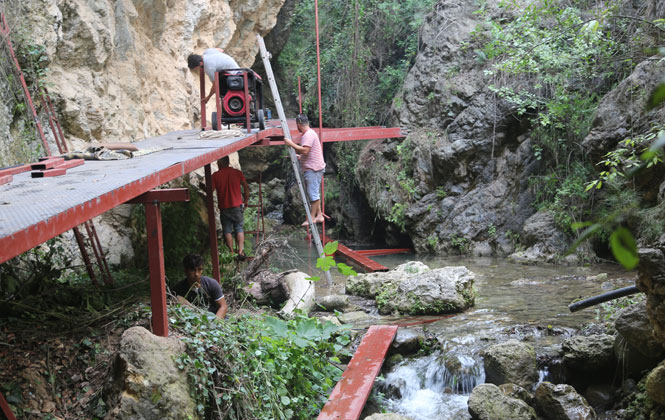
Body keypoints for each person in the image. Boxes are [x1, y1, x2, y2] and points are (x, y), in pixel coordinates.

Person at [283, 114, 326, 226]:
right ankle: (319, 215)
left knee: (313, 194)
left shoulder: (308, 135)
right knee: (314, 192)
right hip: (315, 166)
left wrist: (291, 144)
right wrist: (300, 157)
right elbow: (309, 153)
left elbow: (306, 150)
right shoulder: (309, 134)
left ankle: (311, 218)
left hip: (313, 169)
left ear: (298, 124)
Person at [212, 156, 250, 258]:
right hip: (237, 205)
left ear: (220, 163)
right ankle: (241, 251)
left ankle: (232, 252)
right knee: (239, 228)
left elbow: (209, 190)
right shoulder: (237, 173)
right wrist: (245, 200)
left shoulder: (216, 176)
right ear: (228, 162)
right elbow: (246, 187)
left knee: (227, 230)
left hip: (224, 207)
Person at [174, 253, 227, 319]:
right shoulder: (178, 289)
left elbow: (223, 306)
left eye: (199, 269)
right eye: (193, 270)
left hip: (214, 318)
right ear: (186, 270)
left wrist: (216, 323)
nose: (196, 274)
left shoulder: (211, 284)